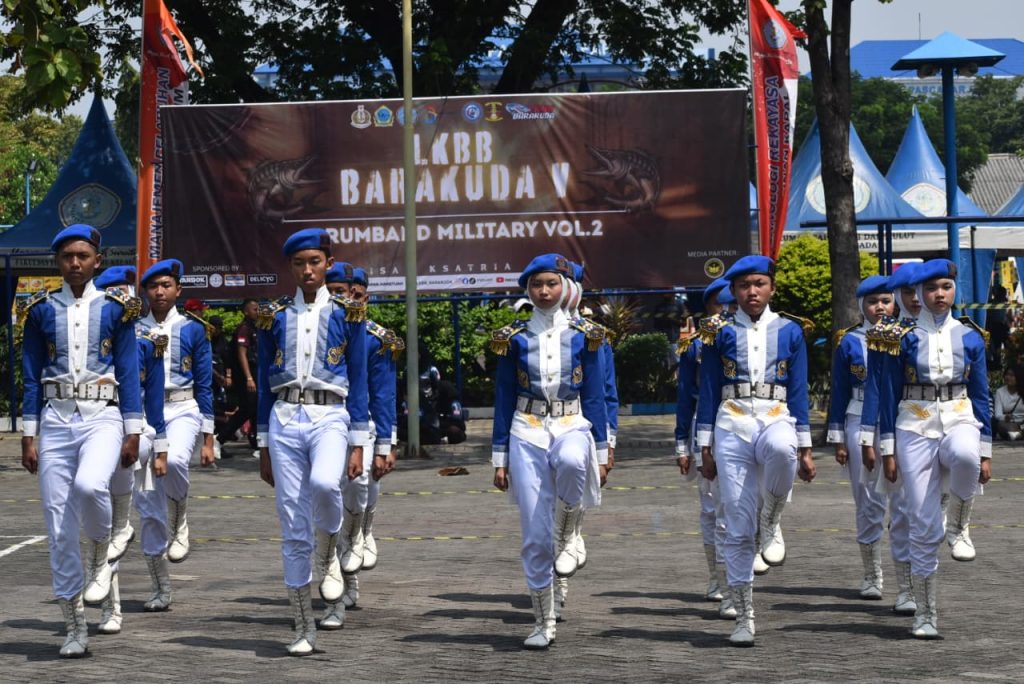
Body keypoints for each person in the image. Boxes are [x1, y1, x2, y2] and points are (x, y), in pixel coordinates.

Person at [18, 225, 143, 657]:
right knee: (57, 525)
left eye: (83, 256)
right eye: (68, 256)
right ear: (58, 262)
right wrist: (28, 436)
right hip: (55, 418)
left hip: (102, 417)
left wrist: (134, 431)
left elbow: (129, 373)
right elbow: (30, 377)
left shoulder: (116, 309)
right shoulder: (39, 310)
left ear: (97, 261)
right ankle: (75, 628)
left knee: (92, 486)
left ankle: (102, 559)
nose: (75, 262)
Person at [255, 228, 370, 655]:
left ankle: (330, 553)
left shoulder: (347, 313)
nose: (308, 270)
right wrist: (263, 444)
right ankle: (304, 625)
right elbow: (265, 384)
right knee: (291, 521)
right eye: (300, 263)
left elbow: (357, 379)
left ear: (327, 264)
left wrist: (359, 442)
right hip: (284, 415)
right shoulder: (274, 316)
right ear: (291, 267)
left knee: (325, 484)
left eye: (315, 262)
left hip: (330, 415)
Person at [696, 255, 816, 646]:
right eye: (745, 285)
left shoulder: (790, 331)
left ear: (772, 289)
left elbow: (798, 388)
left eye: (760, 284)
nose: (752, 291)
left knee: (784, 452)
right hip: (731, 420)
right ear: (733, 291)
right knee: (736, 520)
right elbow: (709, 387)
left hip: (777, 413)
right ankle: (744, 615)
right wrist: (705, 445)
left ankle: (774, 517)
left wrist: (806, 444)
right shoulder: (718, 331)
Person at [490, 253, 608, 650]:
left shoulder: (586, 335)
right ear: (528, 289)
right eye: (537, 284)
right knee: (535, 533)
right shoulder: (514, 339)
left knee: (575, 460)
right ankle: (544, 620)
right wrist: (499, 456)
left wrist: (604, 450)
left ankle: (572, 529)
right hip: (527, 427)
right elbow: (504, 397)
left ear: (565, 288)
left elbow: (595, 395)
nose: (544, 291)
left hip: (572, 421)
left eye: (551, 284)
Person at [873, 258, 992, 639]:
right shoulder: (900, 338)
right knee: (922, 523)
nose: (939, 295)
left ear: (954, 290)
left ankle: (958, 525)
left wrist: (987, 447)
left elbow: (982, 394)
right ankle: (925, 612)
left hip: (959, 413)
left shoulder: (971, 337)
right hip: (913, 421)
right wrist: (888, 448)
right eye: (930, 290)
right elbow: (888, 392)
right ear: (917, 296)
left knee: (966, 456)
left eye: (945, 287)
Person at [320, 262, 402, 628]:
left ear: (363, 296)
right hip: (323, 421)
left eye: (348, 292)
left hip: (364, 424)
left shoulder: (375, 338)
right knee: (327, 497)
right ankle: (340, 581)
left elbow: (384, 395)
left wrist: (387, 443)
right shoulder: (317, 331)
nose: (342, 298)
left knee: (361, 484)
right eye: (335, 290)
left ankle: (362, 532)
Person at [92, 265, 171, 629]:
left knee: (147, 515)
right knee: (104, 525)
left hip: (139, 437)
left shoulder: (148, 343)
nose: (124, 300)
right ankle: (112, 607)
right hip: (101, 432)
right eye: (115, 293)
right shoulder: (91, 345)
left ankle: (161, 584)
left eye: (127, 293)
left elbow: (153, 400)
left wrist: (160, 446)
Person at [136, 260, 216, 571]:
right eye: (153, 286)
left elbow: (205, 384)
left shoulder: (194, 329)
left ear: (178, 289)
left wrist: (209, 440)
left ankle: (179, 519)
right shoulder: (133, 329)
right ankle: (152, 542)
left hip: (182, 406)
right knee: (145, 482)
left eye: (166, 285)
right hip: (144, 409)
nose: (159, 292)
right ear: (145, 291)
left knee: (176, 460)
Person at [826, 275, 895, 601]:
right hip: (857, 416)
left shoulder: (906, 336)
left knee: (904, 499)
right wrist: (839, 439)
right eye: (872, 302)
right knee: (867, 498)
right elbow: (838, 392)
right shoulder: (849, 341)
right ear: (861, 306)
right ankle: (872, 573)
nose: (879, 307)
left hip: (899, 420)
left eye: (885, 301)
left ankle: (908, 574)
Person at [859, 262, 921, 616]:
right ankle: (907, 589)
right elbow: (876, 390)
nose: (915, 299)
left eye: (920, 291)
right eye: (908, 292)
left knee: (930, 515)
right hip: (899, 428)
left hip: (942, 429)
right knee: (899, 512)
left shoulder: (961, 332)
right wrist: (872, 439)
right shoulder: (884, 337)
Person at [676, 277, 735, 617]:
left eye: (732, 302)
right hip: (707, 426)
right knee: (713, 507)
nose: (726, 309)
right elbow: (686, 396)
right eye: (719, 303)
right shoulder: (696, 346)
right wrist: (682, 445)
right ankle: (719, 579)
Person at [217, 298, 260, 451]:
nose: (258, 311)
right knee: (249, 408)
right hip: (245, 376)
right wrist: (249, 378)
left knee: (254, 408)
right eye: (254, 309)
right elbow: (242, 354)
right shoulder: (243, 329)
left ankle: (257, 443)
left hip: (255, 374)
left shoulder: (257, 327)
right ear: (246, 312)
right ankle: (220, 438)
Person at [993, 366, 1024, 440]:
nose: (1008, 377)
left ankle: (1018, 434)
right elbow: (998, 414)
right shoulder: (1000, 392)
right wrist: (1005, 417)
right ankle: (1019, 433)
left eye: (1012, 375)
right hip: (1010, 423)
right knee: (1001, 425)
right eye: (1007, 374)